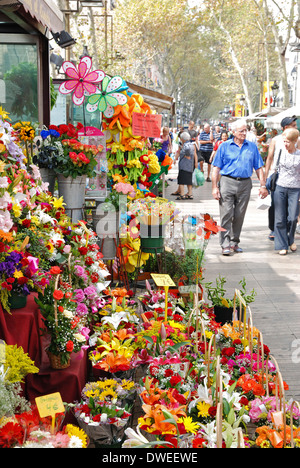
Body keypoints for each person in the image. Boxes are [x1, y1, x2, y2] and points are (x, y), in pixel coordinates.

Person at [211, 119, 268, 256]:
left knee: (239, 215)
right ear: (233, 132)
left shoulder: (252, 147)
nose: (244, 133)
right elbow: (216, 168)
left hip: (245, 184)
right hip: (227, 182)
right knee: (226, 214)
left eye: (245, 130)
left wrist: (263, 185)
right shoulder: (224, 146)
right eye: (241, 131)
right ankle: (224, 244)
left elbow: (259, 167)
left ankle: (234, 242)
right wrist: (214, 187)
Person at [265, 116, 299, 241]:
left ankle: (286, 233)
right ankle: (273, 228)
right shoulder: (275, 140)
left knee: (290, 210)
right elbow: (269, 158)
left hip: (292, 178)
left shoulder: (297, 140)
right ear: (286, 127)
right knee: (275, 205)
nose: (296, 127)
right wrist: (265, 177)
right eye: (293, 125)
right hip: (277, 175)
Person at [271, 128, 300, 255]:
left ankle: (290, 240)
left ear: (295, 141)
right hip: (280, 187)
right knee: (279, 218)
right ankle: (282, 245)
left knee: (293, 218)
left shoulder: (299, 155)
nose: (285, 144)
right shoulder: (280, 152)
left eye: (288, 141)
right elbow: (274, 168)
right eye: (284, 141)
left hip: (295, 189)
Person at [176, 131, 197, 200]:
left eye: (181, 138)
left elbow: (187, 150)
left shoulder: (186, 145)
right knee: (189, 181)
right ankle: (190, 194)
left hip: (184, 165)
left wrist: (186, 155)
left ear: (183, 139)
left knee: (181, 180)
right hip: (189, 166)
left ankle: (182, 194)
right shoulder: (191, 144)